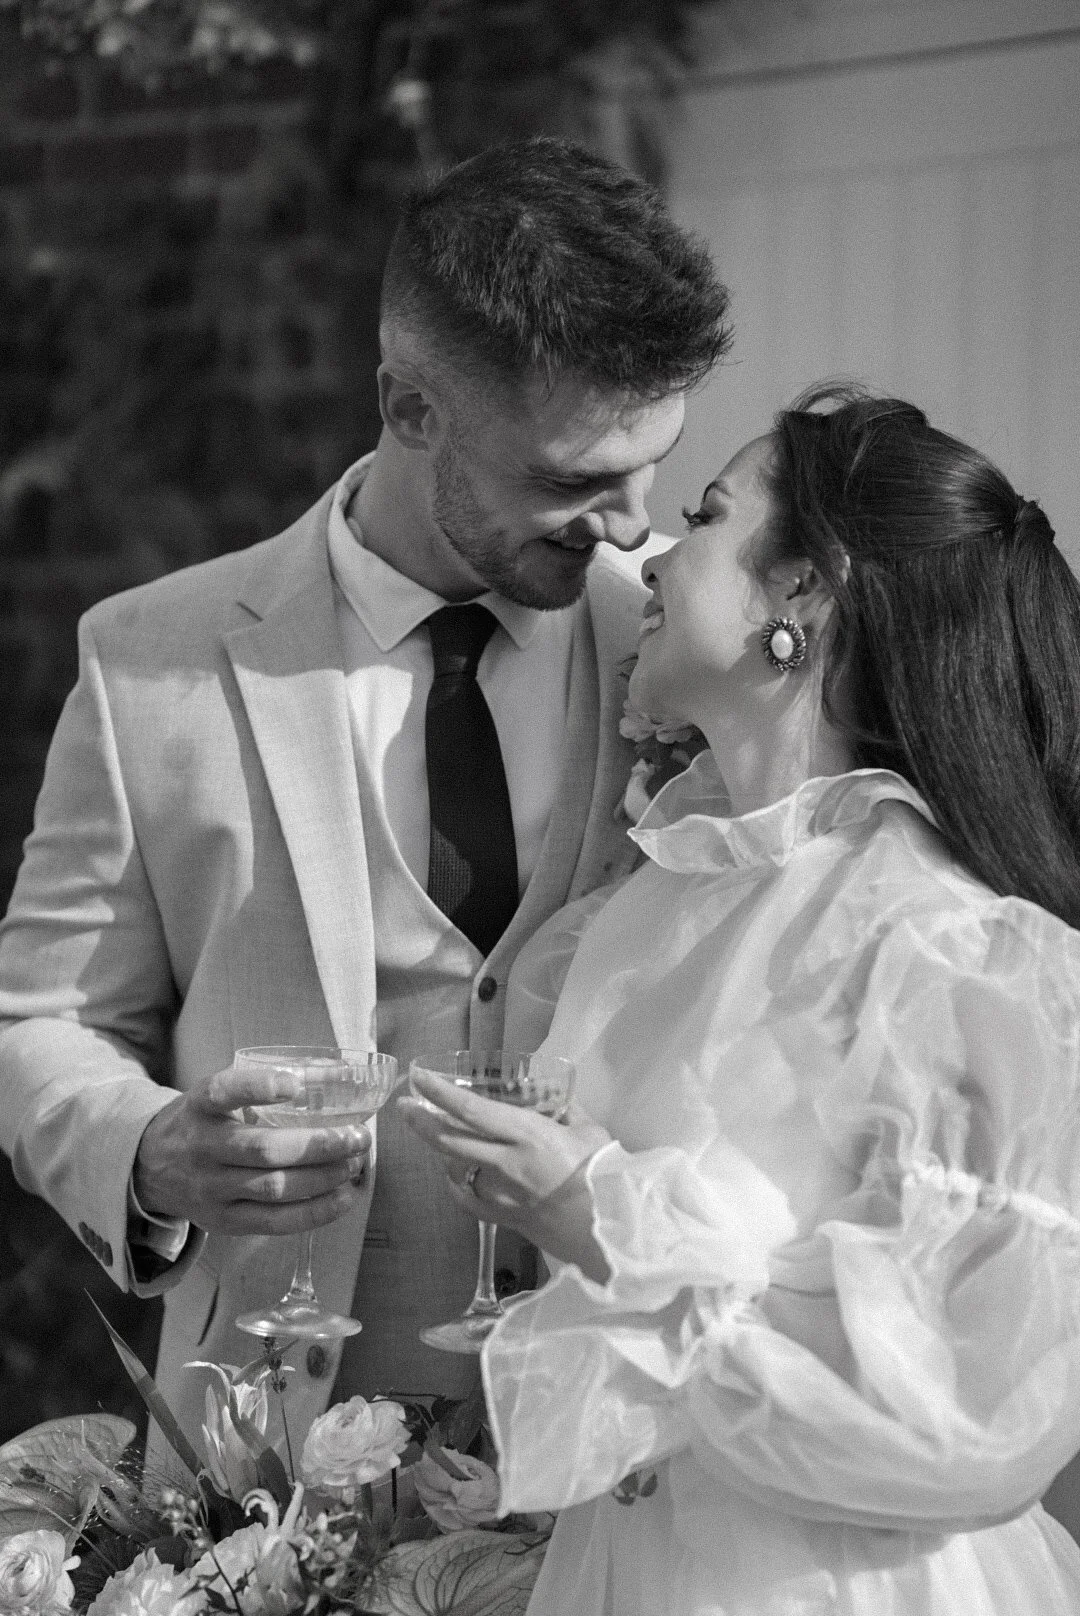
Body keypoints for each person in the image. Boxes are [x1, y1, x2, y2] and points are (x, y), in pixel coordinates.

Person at [0, 136, 731, 1452]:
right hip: (270, 1462)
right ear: (409, 408)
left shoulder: (695, 641)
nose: (631, 527)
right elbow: (39, 1023)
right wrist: (156, 1144)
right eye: (571, 481)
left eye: (654, 464)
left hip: (625, 1463)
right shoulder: (151, 661)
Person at [402, 385, 1080, 1614]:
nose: (649, 554)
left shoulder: (961, 952)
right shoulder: (656, 906)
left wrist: (597, 1212)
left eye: (707, 514)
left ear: (803, 593)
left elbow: (973, 1418)